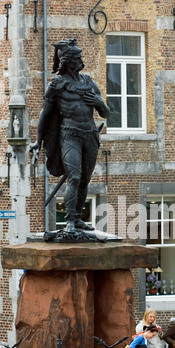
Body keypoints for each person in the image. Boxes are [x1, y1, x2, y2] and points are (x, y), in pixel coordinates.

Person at [30, 38, 110, 233]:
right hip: (69, 135)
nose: (81, 60)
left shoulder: (89, 83)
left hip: (90, 136)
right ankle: (70, 223)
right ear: (67, 61)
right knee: (74, 177)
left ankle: (78, 219)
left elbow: (106, 113)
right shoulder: (57, 85)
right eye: (77, 57)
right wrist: (38, 141)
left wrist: (99, 102)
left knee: (84, 180)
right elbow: (45, 114)